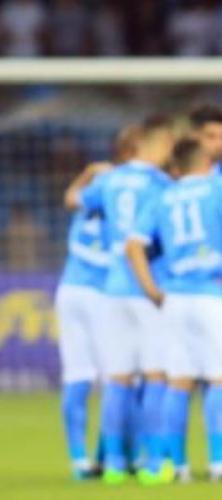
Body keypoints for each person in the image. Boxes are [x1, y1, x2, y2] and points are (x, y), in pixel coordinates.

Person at [126, 137, 222, 482]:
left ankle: (178, 467)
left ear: (177, 168)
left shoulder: (163, 196)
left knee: (178, 380)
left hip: (175, 298)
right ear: (207, 161)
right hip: (215, 294)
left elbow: (133, 246)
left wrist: (152, 290)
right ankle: (220, 466)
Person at [65, 115, 175, 485]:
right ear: (152, 146)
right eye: (166, 146)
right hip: (146, 287)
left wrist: (86, 174)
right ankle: (151, 462)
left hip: (111, 290)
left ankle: (113, 464)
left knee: (118, 378)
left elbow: (72, 200)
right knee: (156, 375)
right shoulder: (161, 184)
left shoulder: (109, 180)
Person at [56, 124, 139, 480]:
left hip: (70, 288)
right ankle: (112, 456)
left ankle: (79, 461)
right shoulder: (130, 186)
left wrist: (88, 172)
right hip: (104, 291)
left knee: (77, 375)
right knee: (118, 377)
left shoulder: (98, 185)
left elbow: (70, 199)